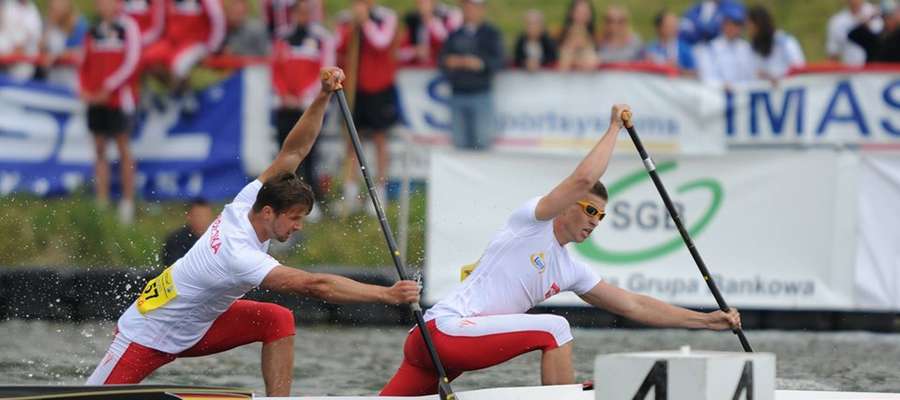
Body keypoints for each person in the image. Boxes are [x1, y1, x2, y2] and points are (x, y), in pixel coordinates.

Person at [86, 67, 421, 396]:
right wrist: (385, 295)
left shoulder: (249, 199)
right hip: (148, 334)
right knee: (90, 398)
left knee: (277, 320)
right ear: (268, 212)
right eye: (294, 219)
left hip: (200, 326)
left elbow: (294, 152)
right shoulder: (238, 252)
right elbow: (314, 285)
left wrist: (321, 97)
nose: (298, 227)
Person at [379, 104, 742, 396]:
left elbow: (634, 305)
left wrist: (705, 320)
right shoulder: (530, 221)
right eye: (589, 210)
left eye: (601, 215)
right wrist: (614, 127)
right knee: (556, 328)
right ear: (568, 204)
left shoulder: (570, 268)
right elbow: (583, 179)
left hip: (432, 347)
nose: (595, 220)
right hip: (443, 333)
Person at [79, 0, 141, 223]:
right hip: (97, 100)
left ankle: (127, 203)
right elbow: (84, 63)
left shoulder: (128, 27)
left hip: (119, 99)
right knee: (99, 149)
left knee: (123, 147)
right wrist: (85, 89)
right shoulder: (93, 30)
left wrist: (109, 86)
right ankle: (102, 202)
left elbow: (132, 62)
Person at [271, 0, 334, 220]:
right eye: (299, 13)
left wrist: (304, 96)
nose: (303, 17)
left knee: (309, 155)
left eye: (307, 13)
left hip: (308, 107)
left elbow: (325, 70)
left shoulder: (322, 39)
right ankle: (286, 200)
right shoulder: (282, 37)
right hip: (285, 105)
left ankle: (311, 199)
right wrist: (284, 94)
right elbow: (276, 70)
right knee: (285, 155)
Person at [335, 0, 399, 215]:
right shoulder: (346, 19)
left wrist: (366, 23)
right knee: (353, 138)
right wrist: (353, 26)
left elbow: (381, 42)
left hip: (379, 89)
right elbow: (340, 46)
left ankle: (379, 190)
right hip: (355, 87)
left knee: (380, 138)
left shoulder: (386, 17)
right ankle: (350, 189)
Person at [438, 0, 503, 151]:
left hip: (480, 95)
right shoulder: (455, 34)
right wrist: (452, 62)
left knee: (482, 144)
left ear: (482, 9)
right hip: (458, 94)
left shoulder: (491, 34)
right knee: (459, 145)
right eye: (467, 7)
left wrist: (479, 64)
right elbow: (442, 59)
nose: (470, 11)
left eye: (474, 7)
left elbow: (498, 61)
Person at [694, 5, 755, 87]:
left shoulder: (746, 48)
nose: (732, 28)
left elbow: (751, 76)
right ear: (722, 25)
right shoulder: (710, 48)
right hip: (717, 95)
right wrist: (722, 85)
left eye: (736, 24)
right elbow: (706, 77)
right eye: (729, 24)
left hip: (743, 95)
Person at [746, 5, 804, 81]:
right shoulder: (753, 47)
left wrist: (778, 77)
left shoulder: (785, 43)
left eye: (750, 26)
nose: (748, 30)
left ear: (758, 25)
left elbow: (799, 69)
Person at [40, 0, 89, 90]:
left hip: (71, 79)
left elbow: (80, 51)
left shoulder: (78, 24)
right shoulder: (48, 23)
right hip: (53, 78)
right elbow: (41, 47)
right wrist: (50, 26)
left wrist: (57, 56)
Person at [160, 198, 215, 266]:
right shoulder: (176, 240)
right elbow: (174, 267)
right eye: (199, 216)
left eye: (206, 216)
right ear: (189, 216)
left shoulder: (216, 238)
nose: (203, 220)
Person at [827, 0, 883, 66]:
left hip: (874, 71)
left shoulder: (878, 15)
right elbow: (833, 54)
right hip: (849, 72)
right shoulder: (836, 22)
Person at [0, 0, 42, 81]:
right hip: (5, 59)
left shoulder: (33, 11)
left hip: (23, 67)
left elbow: (36, 38)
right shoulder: (7, 6)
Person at [643, 9, 695, 73]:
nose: (674, 28)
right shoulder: (650, 48)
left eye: (675, 24)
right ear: (659, 27)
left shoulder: (684, 49)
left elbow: (694, 73)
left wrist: (677, 69)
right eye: (669, 25)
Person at [678, 0, 744, 45]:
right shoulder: (698, 8)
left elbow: (714, 30)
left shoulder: (733, 6)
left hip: (728, 47)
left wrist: (699, 28)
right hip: (699, 47)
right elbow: (684, 30)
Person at [556, 0, 598, 71]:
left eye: (585, 13)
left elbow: (593, 65)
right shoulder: (560, 37)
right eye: (579, 12)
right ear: (571, 13)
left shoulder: (595, 38)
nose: (582, 16)